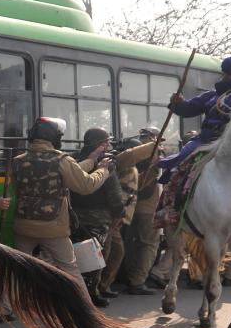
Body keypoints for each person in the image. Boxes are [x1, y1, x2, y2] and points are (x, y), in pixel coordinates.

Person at [10, 117, 110, 280]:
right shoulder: (61, 159)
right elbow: (85, 185)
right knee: (69, 268)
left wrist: (91, 161)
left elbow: (17, 187)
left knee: (19, 269)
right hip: (53, 227)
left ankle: (6, 306)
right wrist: (103, 170)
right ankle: (81, 305)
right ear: (54, 137)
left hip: (24, 224)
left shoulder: (18, 161)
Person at [159, 52, 231, 178]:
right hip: (205, 141)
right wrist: (178, 103)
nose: (224, 76)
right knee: (181, 160)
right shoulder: (212, 95)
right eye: (225, 72)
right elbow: (188, 109)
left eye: (228, 73)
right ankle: (174, 193)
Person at [70, 128, 125, 307]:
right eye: (106, 142)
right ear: (100, 144)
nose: (109, 145)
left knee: (74, 256)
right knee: (97, 257)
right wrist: (119, 214)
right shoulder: (106, 162)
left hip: (73, 217)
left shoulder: (73, 159)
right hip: (99, 219)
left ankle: (77, 292)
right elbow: (114, 192)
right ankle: (91, 295)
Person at [97, 137, 157, 298]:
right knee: (110, 252)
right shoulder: (120, 163)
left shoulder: (131, 169)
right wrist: (153, 145)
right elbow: (131, 155)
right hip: (112, 216)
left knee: (115, 252)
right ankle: (97, 287)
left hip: (118, 217)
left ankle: (102, 286)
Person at [123, 128, 164, 295]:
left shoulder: (132, 153)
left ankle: (129, 276)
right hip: (148, 208)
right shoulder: (153, 154)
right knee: (149, 244)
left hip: (131, 207)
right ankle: (137, 281)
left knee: (132, 244)